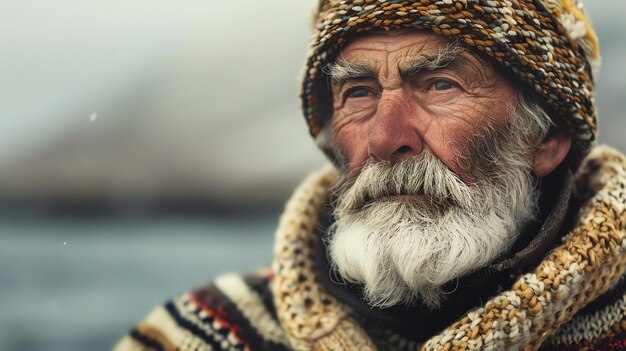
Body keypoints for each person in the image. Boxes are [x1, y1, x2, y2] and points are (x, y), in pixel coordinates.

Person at [115, 0, 626, 350]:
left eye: (440, 85)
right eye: (358, 92)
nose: (386, 138)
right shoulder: (198, 334)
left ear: (547, 140)